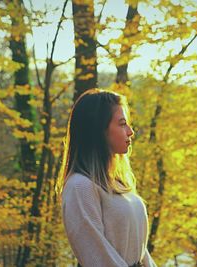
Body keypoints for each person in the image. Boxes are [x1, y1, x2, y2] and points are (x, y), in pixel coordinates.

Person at [57, 89, 157, 267]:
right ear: (99, 130)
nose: (130, 131)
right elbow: (98, 258)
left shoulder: (119, 183)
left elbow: (140, 252)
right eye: (122, 124)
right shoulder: (80, 187)